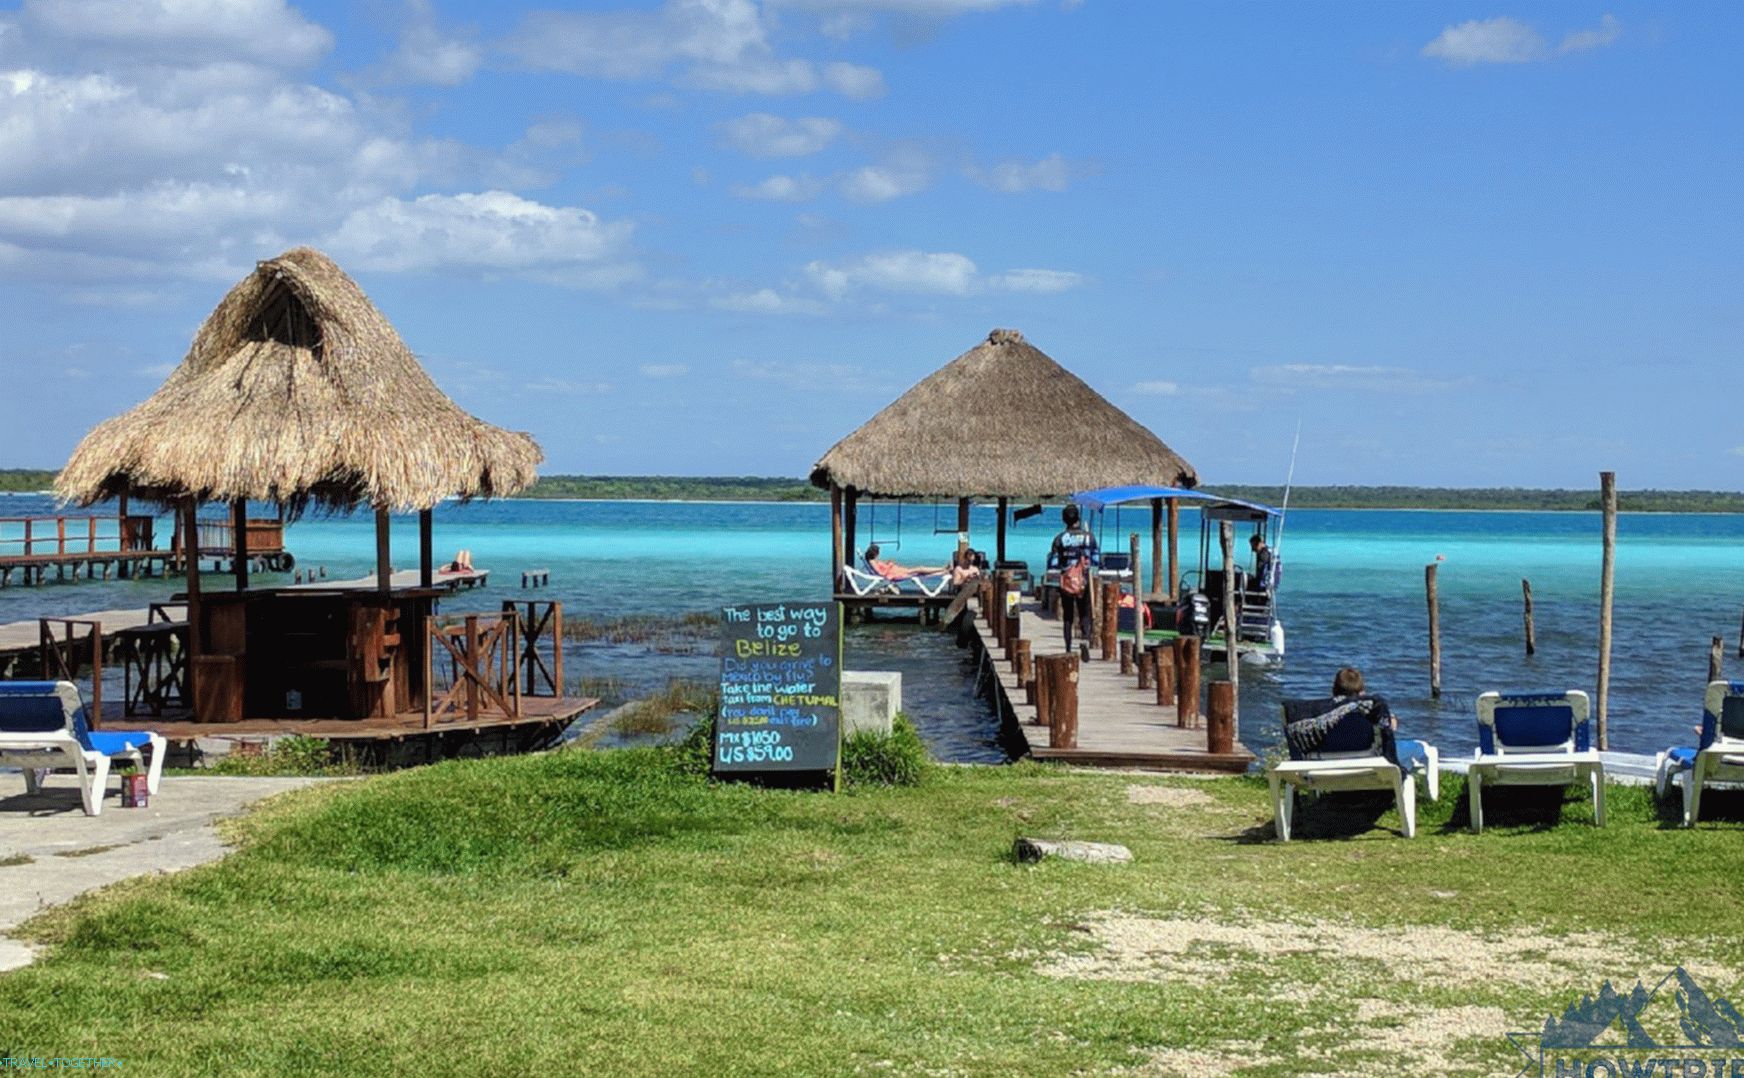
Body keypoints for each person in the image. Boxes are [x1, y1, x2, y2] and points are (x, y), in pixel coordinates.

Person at [1316, 666, 1431, 774]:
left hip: (1329, 764)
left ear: (1333, 691)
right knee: (1421, 747)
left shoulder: (1320, 715)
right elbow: (1391, 728)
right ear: (1362, 693)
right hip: (1371, 761)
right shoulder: (1370, 710)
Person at [1049, 504, 1099, 656]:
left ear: (1064, 520)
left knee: (1068, 616)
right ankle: (1084, 639)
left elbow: (1053, 563)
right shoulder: (1089, 537)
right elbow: (1096, 559)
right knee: (1084, 612)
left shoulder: (1060, 539)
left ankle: (1068, 648)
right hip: (1084, 580)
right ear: (1078, 517)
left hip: (1067, 581)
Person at [864, 543, 947, 580]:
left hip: (895, 571)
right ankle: (942, 569)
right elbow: (881, 573)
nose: (878, 554)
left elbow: (881, 568)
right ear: (874, 553)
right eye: (878, 553)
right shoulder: (872, 562)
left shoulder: (873, 560)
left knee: (920, 573)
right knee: (920, 569)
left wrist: (887, 563)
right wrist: (889, 565)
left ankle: (943, 571)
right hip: (895, 574)